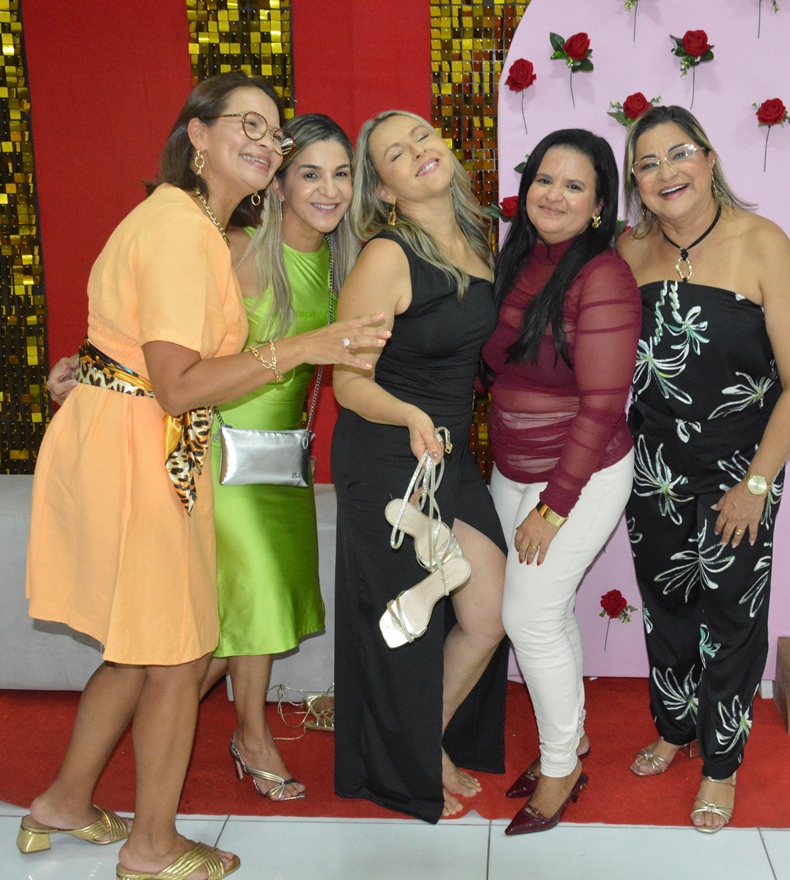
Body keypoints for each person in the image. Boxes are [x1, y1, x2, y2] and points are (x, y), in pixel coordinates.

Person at [21, 72, 385, 880]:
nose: (264, 140)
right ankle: (151, 847)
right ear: (197, 135)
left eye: (272, 129)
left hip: (142, 438)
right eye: (245, 124)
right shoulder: (186, 232)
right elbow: (180, 384)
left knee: (139, 650)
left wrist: (90, 372)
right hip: (148, 450)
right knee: (177, 656)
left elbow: (138, 346)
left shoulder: (180, 221)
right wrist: (302, 346)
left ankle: (65, 803)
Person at [618, 105, 790, 833]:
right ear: (636, 182)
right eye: (648, 163)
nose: (666, 172)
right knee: (666, 604)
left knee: (732, 616)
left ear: (708, 159)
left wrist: (757, 484)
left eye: (679, 154)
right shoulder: (628, 250)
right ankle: (675, 729)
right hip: (653, 470)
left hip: (742, 471)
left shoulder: (763, 243)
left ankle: (720, 764)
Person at [331, 109, 509, 822]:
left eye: (422, 137)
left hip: (449, 453)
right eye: (396, 155)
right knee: (404, 622)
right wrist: (407, 415)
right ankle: (410, 765)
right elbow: (347, 383)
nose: (418, 152)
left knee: (489, 614)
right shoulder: (388, 256)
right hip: (390, 456)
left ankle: (418, 740)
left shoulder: (477, 236)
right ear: (384, 189)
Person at [196, 113, 360, 802]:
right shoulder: (234, 250)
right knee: (257, 592)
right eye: (310, 174)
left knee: (248, 611)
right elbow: (174, 351)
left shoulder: (345, 263)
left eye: (342, 174)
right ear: (280, 184)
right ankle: (252, 735)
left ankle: (148, 705)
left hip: (285, 459)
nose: (329, 189)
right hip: (222, 453)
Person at [482, 129, 641, 835]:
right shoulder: (517, 259)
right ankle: (570, 744)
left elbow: (603, 406)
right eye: (545, 180)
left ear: (599, 205)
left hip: (582, 474)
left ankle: (559, 770)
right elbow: (497, 363)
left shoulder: (603, 275)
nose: (554, 195)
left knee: (529, 617)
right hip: (511, 468)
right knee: (545, 613)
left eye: (575, 186)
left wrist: (552, 508)